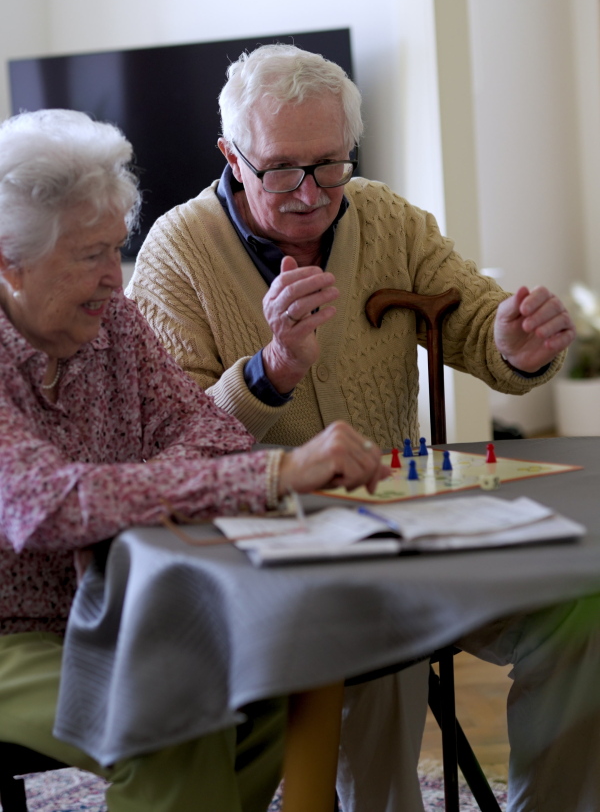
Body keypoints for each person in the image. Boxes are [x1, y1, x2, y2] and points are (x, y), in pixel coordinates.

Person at [128, 45, 600, 812]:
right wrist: (271, 369)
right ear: (232, 156)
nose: (310, 194)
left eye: (330, 164)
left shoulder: (386, 217)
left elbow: (480, 322)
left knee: (582, 610)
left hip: (406, 512)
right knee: (372, 641)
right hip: (268, 537)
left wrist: (517, 345)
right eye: (282, 168)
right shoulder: (175, 254)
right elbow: (169, 445)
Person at [0, 108, 389, 812]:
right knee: (169, 723)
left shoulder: (110, 322)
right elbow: (46, 503)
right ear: (9, 261)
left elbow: (209, 431)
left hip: (122, 607)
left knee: (269, 683)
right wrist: (271, 473)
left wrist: (133, 493)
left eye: (115, 249)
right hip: (10, 633)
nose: (113, 283)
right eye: (88, 255)